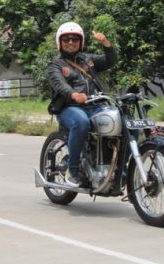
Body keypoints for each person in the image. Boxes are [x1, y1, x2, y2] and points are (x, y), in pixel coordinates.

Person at [47, 21, 115, 187]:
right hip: (70, 108)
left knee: (121, 120)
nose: (71, 42)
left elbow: (110, 61)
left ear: (81, 41)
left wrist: (106, 44)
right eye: (66, 39)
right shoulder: (56, 65)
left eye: (75, 39)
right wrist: (74, 94)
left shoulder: (88, 59)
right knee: (81, 122)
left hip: (95, 105)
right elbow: (59, 84)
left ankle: (119, 166)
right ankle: (74, 171)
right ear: (60, 42)